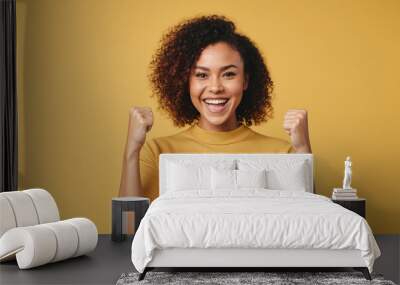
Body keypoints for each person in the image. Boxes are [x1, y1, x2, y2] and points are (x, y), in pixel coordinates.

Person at [119, 15, 312, 201]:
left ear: (245, 80)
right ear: (185, 82)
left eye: (228, 74)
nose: (215, 88)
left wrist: (303, 149)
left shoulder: (281, 154)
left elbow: (311, 224)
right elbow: (128, 229)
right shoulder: (159, 152)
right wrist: (131, 151)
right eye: (202, 75)